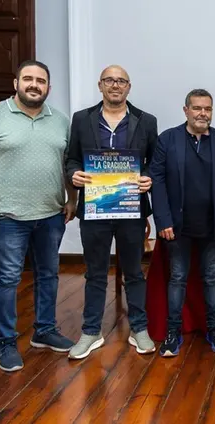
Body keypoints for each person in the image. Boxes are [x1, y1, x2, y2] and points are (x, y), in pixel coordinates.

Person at [0, 60, 76, 372]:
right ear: (16, 83)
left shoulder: (61, 121)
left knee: (49, 275)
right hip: (7, 216)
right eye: (28, 79)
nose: (34, 85)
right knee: (7, 279)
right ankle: (6, 342)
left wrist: (72, 199)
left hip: (51, 215)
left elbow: (68, 165)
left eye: (41, 80)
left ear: (48, 87)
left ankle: (45, 330)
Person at [65, 65, 158, 359]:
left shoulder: (146, 121)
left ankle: (139, 328)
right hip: (94, 210)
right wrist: (74, 175)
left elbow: (155, 162)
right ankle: (91, 331)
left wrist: (148, 177)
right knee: (95, 273)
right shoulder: (82, 119)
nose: (115, 85)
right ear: (100, 85)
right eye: (109, 80)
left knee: (133, 272)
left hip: (131, 210)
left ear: (129, 87)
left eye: (121, 81)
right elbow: (71, 159)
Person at [150, 89, 215, 357]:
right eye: (197, 108)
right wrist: (162, 219)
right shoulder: (168, 139)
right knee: (177, 278)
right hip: (176, 227)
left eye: (208, 109)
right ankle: (172, 332)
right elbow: (157, 181)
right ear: (186, 110)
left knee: (211, 278)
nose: (203, 113)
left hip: (213, 227)